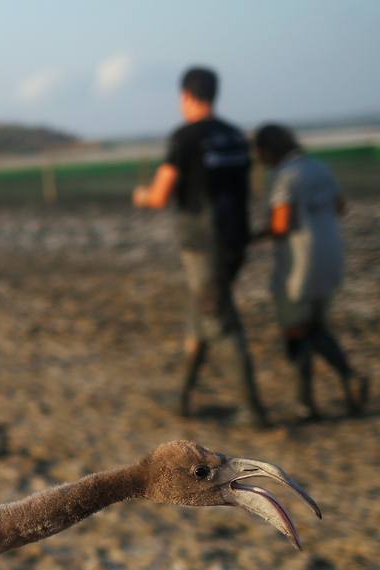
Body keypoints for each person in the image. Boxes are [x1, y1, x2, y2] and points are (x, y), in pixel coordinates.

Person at [134, 66, 270, 428]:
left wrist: (142, 196)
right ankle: (181, 396)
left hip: (202, 243)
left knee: (218, 321)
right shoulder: (235, 136)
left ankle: (252, 409)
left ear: (187, 96)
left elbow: (162, 193)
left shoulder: (186, 137)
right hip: (235, 239)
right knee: (201, 316)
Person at [252, 123, 368, 420]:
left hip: (299, 262)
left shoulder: (284, 176)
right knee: (316, 327)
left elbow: (281, 225)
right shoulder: (319, 166)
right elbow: (340, 207)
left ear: (267, 150)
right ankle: (349, 377)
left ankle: (307, 403)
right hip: (330, 255)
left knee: (296, 332)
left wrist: (250, 236)